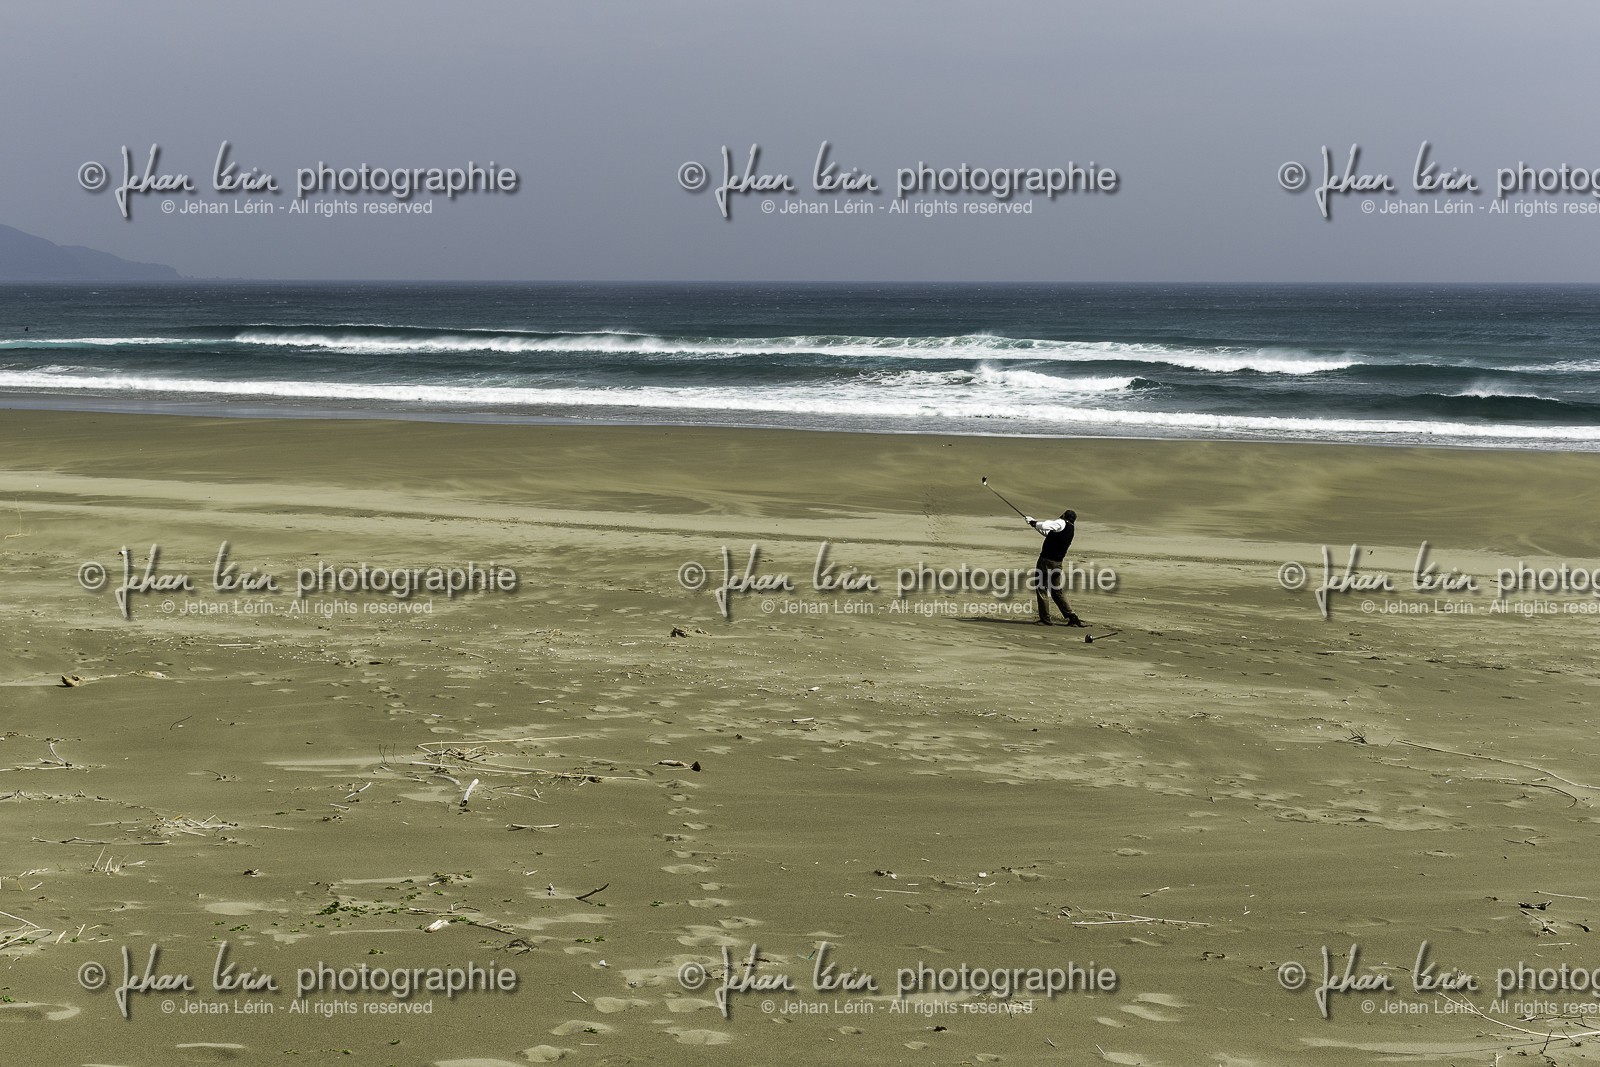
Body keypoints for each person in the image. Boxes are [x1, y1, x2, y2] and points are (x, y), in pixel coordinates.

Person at [1025, 509, 1084, 626]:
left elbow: (1046, 525)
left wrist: (1034, 523)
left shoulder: (1061, 523)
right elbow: (1047, 533)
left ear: (1064, 515)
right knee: (1056, 590)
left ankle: (1045, 619)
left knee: (1041, 588)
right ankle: (1072, 617)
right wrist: (1033, 523)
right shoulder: (1070, 529)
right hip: (1057, 563)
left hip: (1046, 562)